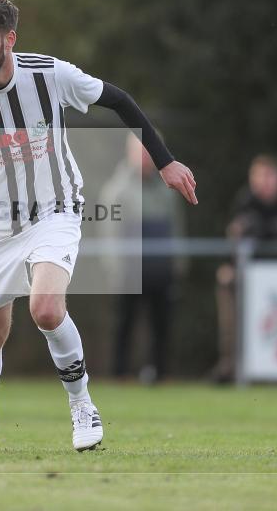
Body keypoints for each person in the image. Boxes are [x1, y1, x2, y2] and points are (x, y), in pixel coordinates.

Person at [0, 0, 197, 452]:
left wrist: (164, 163)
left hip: (56, 209)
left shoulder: (50, 75)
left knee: (45, 308)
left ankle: (82, 406)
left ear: (9, 39)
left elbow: (120, 101)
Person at [100, 133, 186, 383]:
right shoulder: (116, 190)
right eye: (142, 151)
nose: (146, 157)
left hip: (160, 269)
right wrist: (114, 269)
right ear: (130, 153)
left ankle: (161, 373)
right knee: (124, 325)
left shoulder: (168, 191)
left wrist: (178, 263)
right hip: (128, 271)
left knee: (162, 325)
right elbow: (110, 235)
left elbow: (176, 228)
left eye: (150, 151)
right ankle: (121, 373)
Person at [213, 155, 277, 383]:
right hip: (244, 278)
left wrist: (265, 230)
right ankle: (231, 370)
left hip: (274, 281)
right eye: (262, 176)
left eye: (271, 176)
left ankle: (273, 373)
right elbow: (238, 235)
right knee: (234, 329)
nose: (266, 182)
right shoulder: (244, 201)